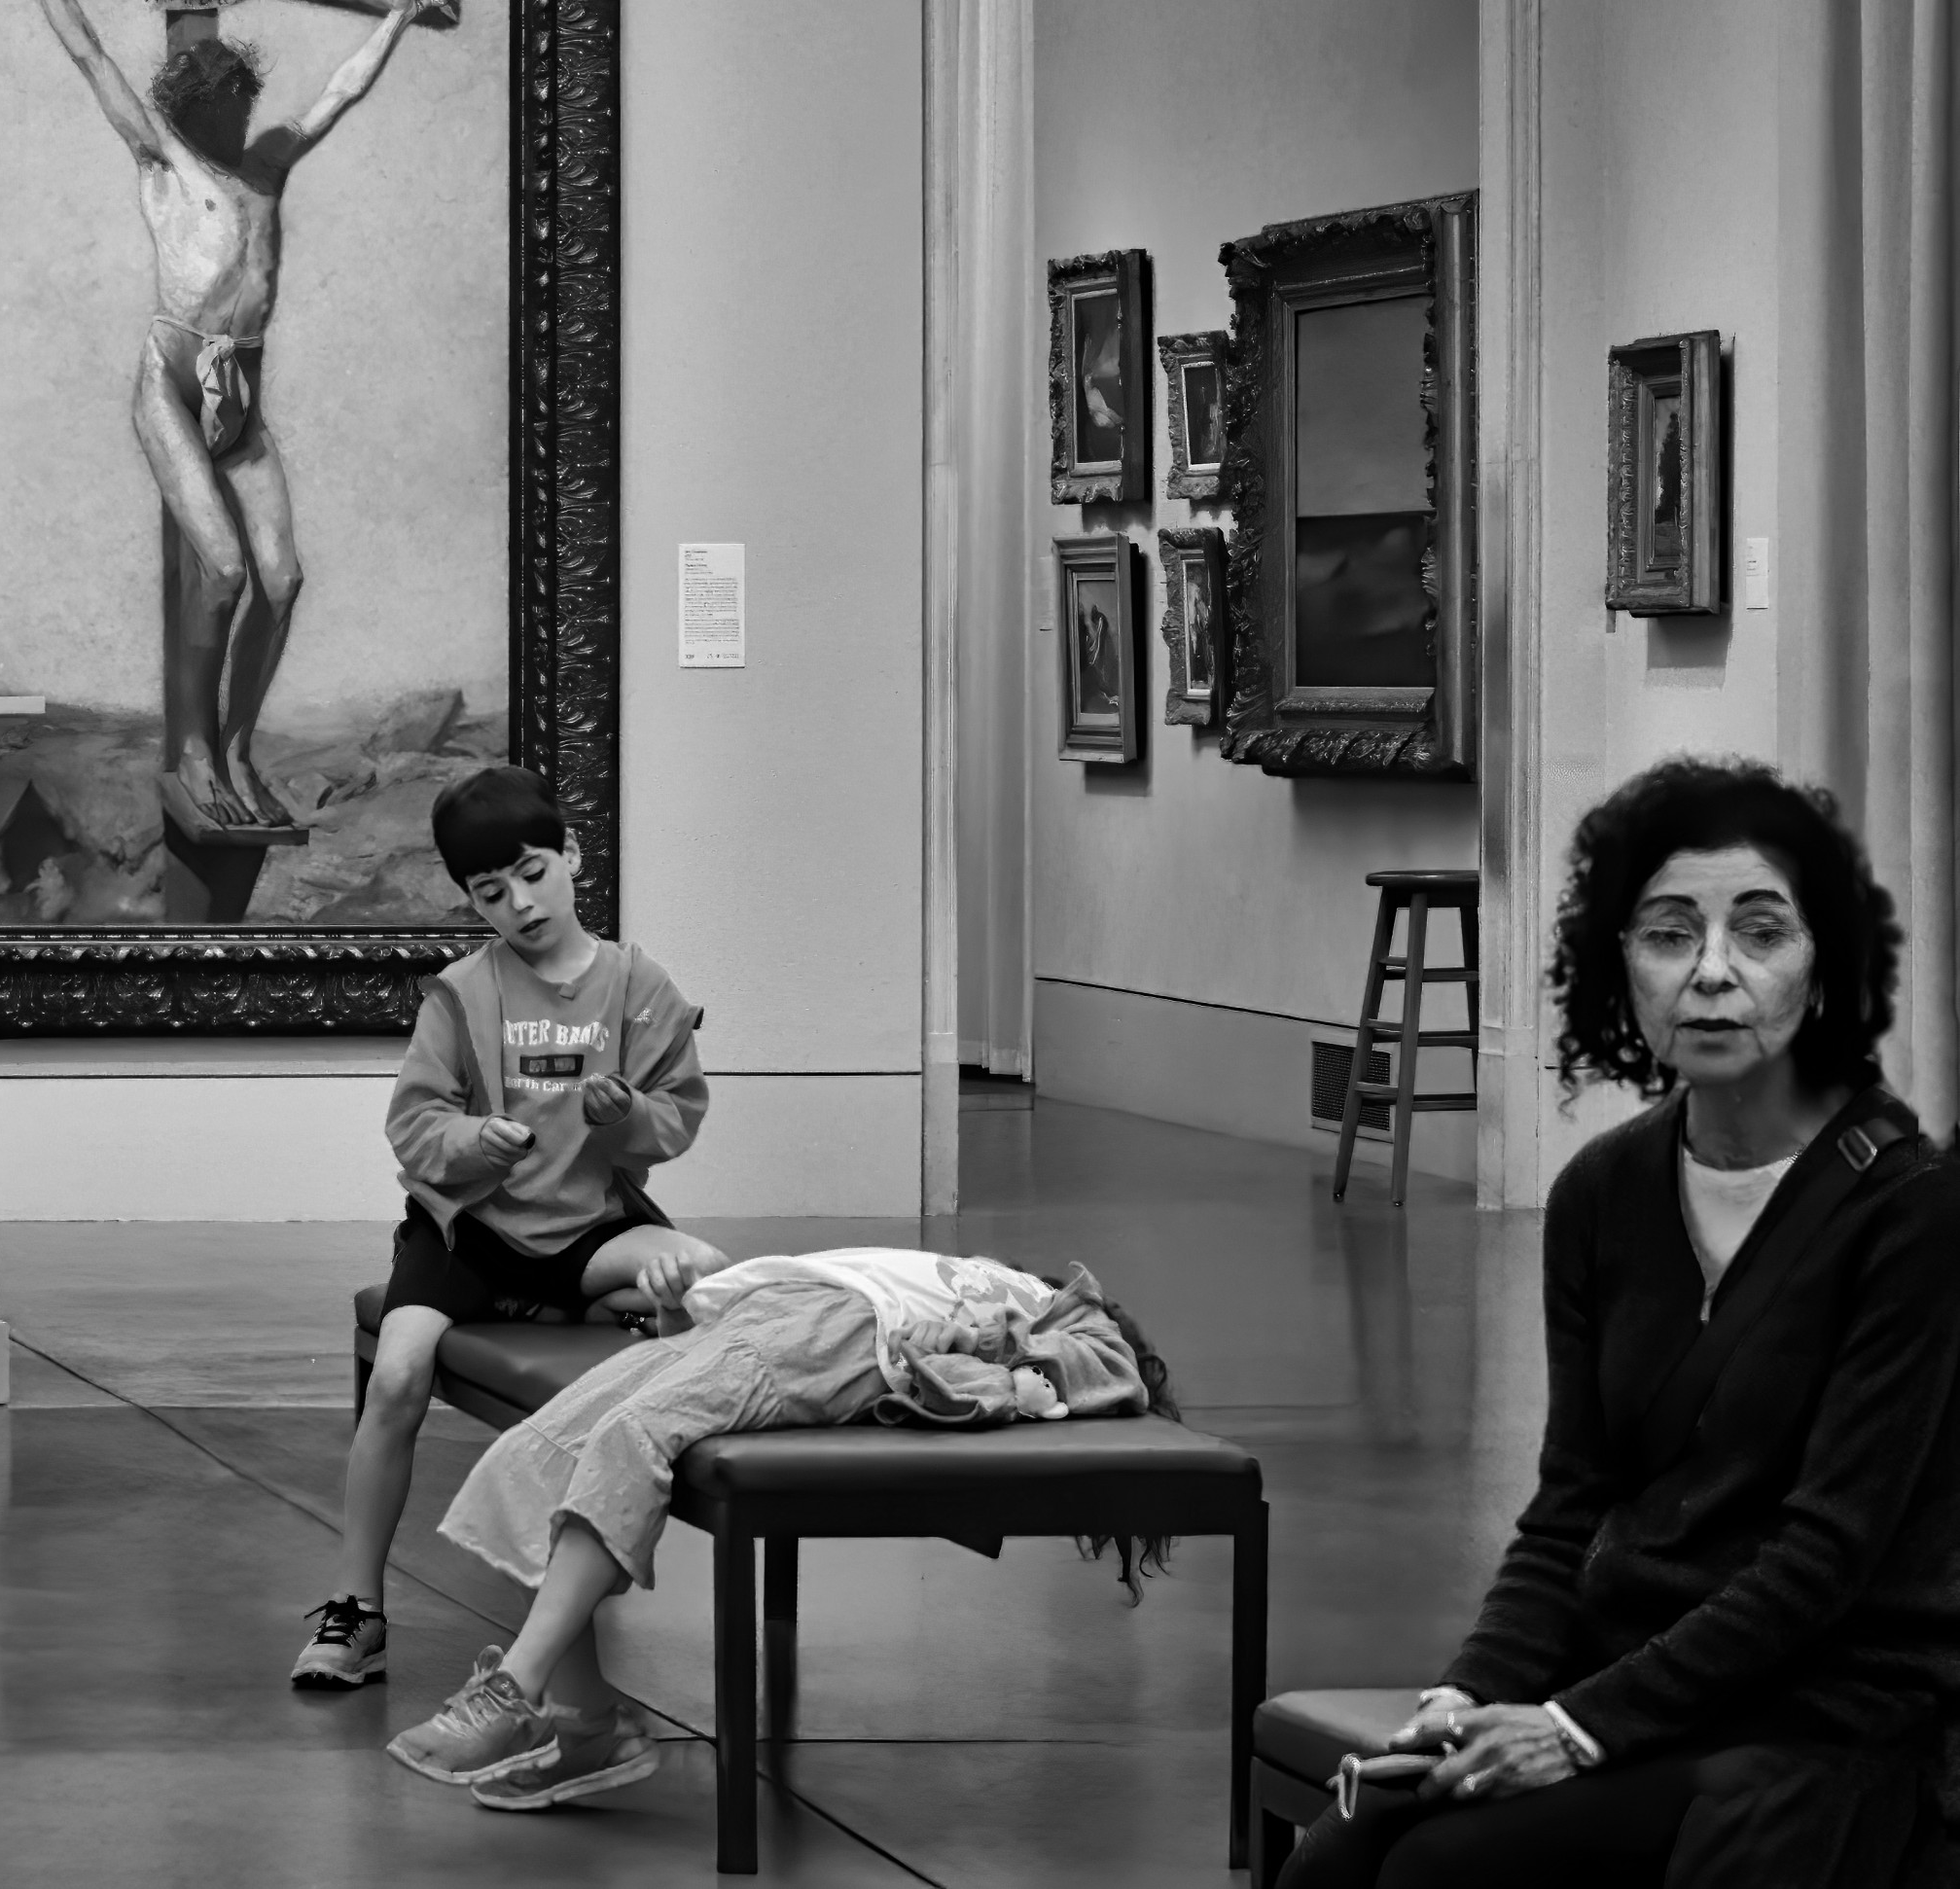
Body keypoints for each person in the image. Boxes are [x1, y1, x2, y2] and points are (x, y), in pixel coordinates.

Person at [1283, 757, 1960, 1889]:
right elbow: (1569, 1508)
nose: (1712, 972)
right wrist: (1467, 1692)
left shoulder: (1908, 1209)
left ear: (1824, 967)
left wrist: (1575, 1728)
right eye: (1668, 933)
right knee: (1342, 1851)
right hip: (1631, 1664)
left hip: (1824, 1699)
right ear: (1621, 966)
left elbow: (1825, 1556)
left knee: (1440, 1868)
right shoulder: (1603, 1189)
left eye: (1759, 932)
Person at [384, 1244, 1171, 1809]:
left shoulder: (1074, 1311)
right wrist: (676, 1309)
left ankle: (513, 1691)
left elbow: (1108, 1371)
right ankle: (589, 1727)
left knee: (632, 1435)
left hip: (838, 1334)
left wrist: (988, 1341)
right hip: (765, 1309)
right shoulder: (982, 1273)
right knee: (543, 1449)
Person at [0, 0, 450, 831]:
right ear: (192, 111)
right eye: (224, 109)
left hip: (240, 397)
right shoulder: (162, 160)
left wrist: (399, 15)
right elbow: (89, 55)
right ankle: (197, 752)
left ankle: (238, 747)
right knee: (223, 568)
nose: (239, 121)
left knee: (283, 579)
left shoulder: (267, 166)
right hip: (171, 383)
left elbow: (340, 93)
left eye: (244, 106)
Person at [292, 766, 729, 1691]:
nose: (520, 904)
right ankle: (355, 1607)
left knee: (703, 1271)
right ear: (471, 900)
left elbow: (676, 1118)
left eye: (532, 874)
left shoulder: (639, 986)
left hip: (586, 1232)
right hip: (469, 1237)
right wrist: (473, 1140)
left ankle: (581, 1309)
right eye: (491, 893)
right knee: (399, 1373)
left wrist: (626, 1119)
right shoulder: (460, 993)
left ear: (572, 856)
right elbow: (414, 1124)